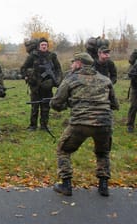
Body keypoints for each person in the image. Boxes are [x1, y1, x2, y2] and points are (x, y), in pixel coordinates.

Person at [50, 52, 119, 197]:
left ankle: (66, 185)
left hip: (80, 124)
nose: (71, 65)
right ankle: (103, 186)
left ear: (79, 63)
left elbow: (56, 103)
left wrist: (68, 105)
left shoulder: (71, 79)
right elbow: (115, 104)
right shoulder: (105, 79)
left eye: (73, 62)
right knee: (103, 152)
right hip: (104, 123)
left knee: (63, 150)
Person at [20, 37, 62, 131]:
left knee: (46, 106)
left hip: (47, 86)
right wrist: (28, 77)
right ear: (39, 46)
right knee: (35, 106)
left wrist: (56, 81)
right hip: (35, 86)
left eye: (45, 45)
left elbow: (58, 69)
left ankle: (44, 125)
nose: (44, 46)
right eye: (42, 45)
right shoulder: (32, 56)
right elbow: (23, 68)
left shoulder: (52, 56)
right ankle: (33, 126)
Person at [127, 56, 137, 133]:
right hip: (135, 88)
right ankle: (130, 125)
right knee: (133, 106)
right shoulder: (135, 65)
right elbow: (130, 74)